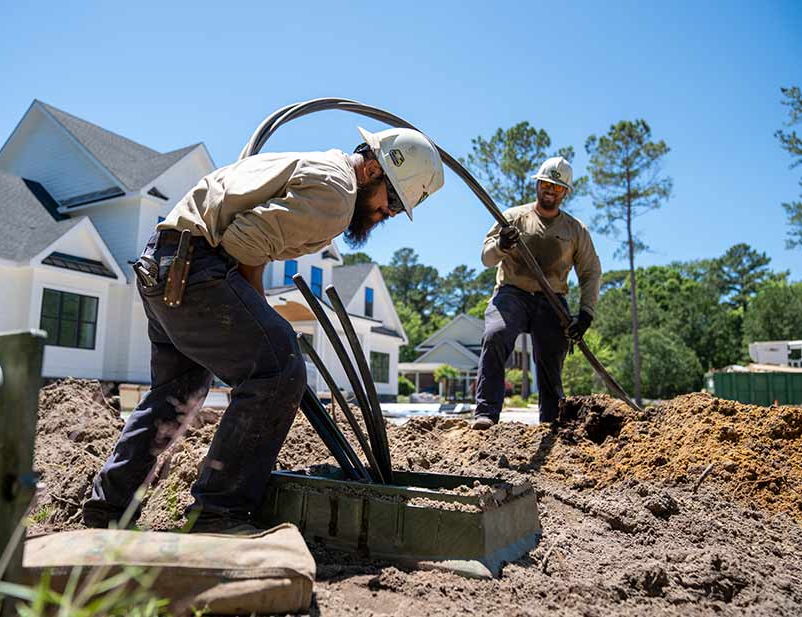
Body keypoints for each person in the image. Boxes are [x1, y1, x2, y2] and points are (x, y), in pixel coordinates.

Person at [83, 127, 444, 531]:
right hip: (198, 271)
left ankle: (108, 506)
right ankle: (220, 512)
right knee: (280, 367)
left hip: (167, 266)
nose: (389, 213)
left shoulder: (320, 167)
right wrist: (262, 316)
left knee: (177, 393)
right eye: (392, 200)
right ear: (373, 169)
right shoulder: (338, 194)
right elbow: (245, 245)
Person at [472, 157, 601, 430]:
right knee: (495, 335)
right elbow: (486, 257)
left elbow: (590, 272)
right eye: (545, 184)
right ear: (537, 184)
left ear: (565, 192)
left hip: (552, 300)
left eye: (556, 187)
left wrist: (586, 314)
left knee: (552, 354)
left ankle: (551, 421)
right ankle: (486, 413)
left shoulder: (575, 230)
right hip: (512, 293)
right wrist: (501, 244)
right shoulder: (513, 218)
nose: (550, 191)